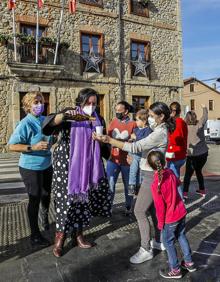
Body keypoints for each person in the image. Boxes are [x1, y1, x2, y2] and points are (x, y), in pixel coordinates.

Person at [94, 102, 176, 264]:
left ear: (162, 117)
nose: (150, 119)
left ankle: (145, 249)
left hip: (150, 177)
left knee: (139, 211)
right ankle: (159, 241)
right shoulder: (158, 129)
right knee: (152, 210)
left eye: (152, 116)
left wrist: (110, 139)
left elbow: (137, 147)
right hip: (151, 174)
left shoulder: (160, 132)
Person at [42, 88, 112, 257]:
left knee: (81, 201)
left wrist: (102, 142)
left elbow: (104, 147)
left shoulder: (97, 118)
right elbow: (48, 126)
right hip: (66, 164)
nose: (91, 106)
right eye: (88, 102)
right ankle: (60, 237)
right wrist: (65, 115)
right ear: (80, 102)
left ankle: (78, 234)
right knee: (64, 201)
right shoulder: (70, 114)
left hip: (87, 165)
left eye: (94, 103)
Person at [8, 92, 53, 247]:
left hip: (47, 163)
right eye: (35, 102)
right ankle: (35, 235)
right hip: (30, 167)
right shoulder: (25, 123)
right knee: (34, 198)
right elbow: (12, 145)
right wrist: (32, 147)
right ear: (28, 105)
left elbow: (50, 139)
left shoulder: (44, 120)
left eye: (41, 101)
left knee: (47, 194)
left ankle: (45, 217)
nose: (39, 105)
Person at [147, 150, 196, 279]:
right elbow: (178, 185)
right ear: (164, 161)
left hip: (170, 218)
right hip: (181, 212)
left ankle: (175, 270)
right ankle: (189, 262)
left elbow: (160, 208)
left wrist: (161, 223)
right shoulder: (171, 173)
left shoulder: (156, 185)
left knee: (168, 242)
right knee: (181, 235)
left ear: (149, 166)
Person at [107, 101, 136, 215]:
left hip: (127, 160)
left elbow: (137, 141)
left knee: (128, 185)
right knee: (110, 184)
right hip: (112, 159)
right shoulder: (113, 121)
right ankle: (108, 208)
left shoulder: (133, 124)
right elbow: (108, 138)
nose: (117, 112)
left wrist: (133, 140)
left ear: (126, 111)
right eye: (116, 110)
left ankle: (128, 207)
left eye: (120, 111)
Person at [183, 105, 209, 199]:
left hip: (191, 154)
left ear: (186, 118)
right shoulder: (199, 124)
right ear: (195, 117)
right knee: (198, 171)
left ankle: (185, 194)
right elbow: (205, 117)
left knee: (188, 175)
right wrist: (204, 107)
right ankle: (202, 190)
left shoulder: (184, 127)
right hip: (203, 153)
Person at [128, 109, 152, 196]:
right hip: (134, 154)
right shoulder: (136, 129)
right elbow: (132, 141)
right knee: (133, 171)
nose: (136, 122)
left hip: (143, 155)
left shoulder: (148, 130)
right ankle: (132, 186)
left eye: (137, 120)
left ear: (144, 121)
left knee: (141, 172)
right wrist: (131, 140)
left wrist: (135, 138)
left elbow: (144, 142)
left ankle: (140, 187)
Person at [166, 102, 188, 198]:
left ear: (174, 112)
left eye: (171, 111)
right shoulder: (178, 121)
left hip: (175, 155)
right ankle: (178, 198)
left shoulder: (178, 122)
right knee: (175, 178)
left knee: (174, 180)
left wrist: (166, 139)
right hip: (179, 154)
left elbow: (177, 138)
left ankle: (180, 201)